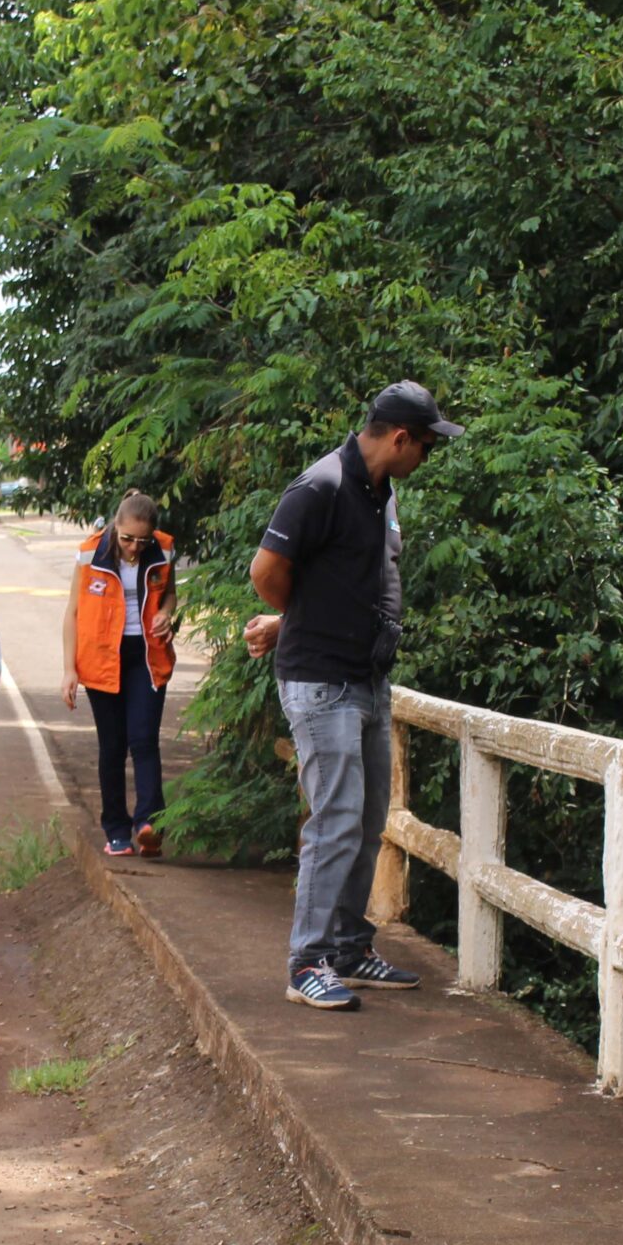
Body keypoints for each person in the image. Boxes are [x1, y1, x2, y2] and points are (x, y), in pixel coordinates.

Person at [246, 381, 461, 1011]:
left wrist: (297, 619)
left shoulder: (379, 492)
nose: (427, 456)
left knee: (367, 823)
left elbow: (342, 581)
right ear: (400, 438)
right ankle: (306, 962)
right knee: (335, 821)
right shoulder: (322, 488)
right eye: (426, 445)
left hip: (367, 679)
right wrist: (302, 624)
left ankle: (347, 948)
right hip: (322, 683)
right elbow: (267, 572)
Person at [59, 491, 177, 857]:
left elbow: (170, 594)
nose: (133, 548)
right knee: (112, 747)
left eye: (142, 541)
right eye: (127, 539)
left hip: (146, 655)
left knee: (144, 740)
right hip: (99, 658)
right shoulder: (90, 553)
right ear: (115, 526)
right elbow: (72, 613)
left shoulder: (163, 550)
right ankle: (116, 830)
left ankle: (148, 824)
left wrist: (166, 614)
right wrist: (68, 669)